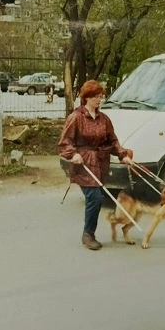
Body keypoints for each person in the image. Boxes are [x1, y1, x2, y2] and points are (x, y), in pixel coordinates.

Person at [58, 80, 133, 250]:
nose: (99, 99)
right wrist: (73, 154)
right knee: (95, 197)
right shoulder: (76, 117)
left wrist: (123, 155)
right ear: (86, 98)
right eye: (96, 96)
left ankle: (89, 232)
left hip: (100, 163)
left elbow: (112, 140)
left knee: (97, 198)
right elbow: (64, 142)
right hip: (83, 163)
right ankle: (88, 234)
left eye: (101, 96)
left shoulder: (104, 119)